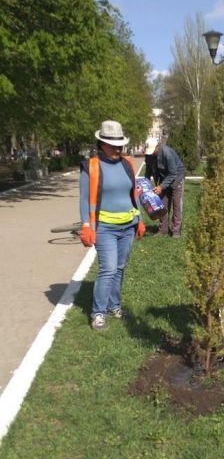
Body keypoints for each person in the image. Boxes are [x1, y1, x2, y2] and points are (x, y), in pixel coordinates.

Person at [79, 120, 145, 331]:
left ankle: (114, 306)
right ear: (101, 144)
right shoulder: (91, 166)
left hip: (128, 225)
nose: (118, 149)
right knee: (107, 269)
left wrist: (139, 219)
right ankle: (98, 313)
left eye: (120, 145)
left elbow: (132, 193)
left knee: (119, 268)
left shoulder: (127, 163)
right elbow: (83, 199)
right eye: (113, 145)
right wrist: (86, 225)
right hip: (105, 227)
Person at [144, 139, 185, 237]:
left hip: (177, 177)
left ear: (158, 146)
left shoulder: (167, 153)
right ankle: (163, 230)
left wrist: (161, 187)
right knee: (162, 204)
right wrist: (146, 185)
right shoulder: (148, 155)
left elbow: (173, 173)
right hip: (164, 178)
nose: (151, 153)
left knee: (177, 205)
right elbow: (148, 171)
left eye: (153, 150)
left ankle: (176, 232)